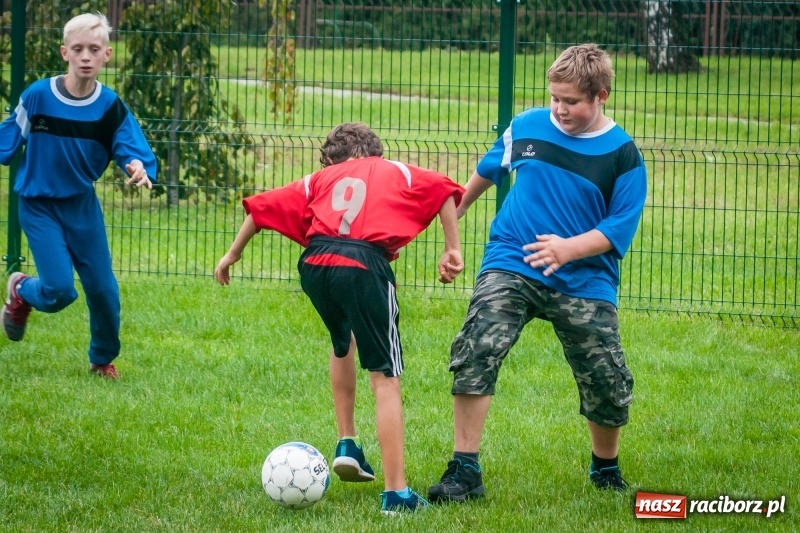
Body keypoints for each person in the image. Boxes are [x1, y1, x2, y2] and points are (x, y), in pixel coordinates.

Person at [427, 43, 648, 503]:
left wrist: (569, 249)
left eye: (572, 102)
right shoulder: (526, 126)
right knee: (476, 347)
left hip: (585, 278)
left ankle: (605, 467)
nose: (560, 110)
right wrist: (455, 227)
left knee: (606, 378)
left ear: (601, 95)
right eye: (555, 99)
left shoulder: (623, 156)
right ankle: (464, 470)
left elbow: (617, 228)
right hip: (512, 259)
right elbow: (487, 170)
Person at [214, 122, 465, 514]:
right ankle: (397, 494)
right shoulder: (394, 169)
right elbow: (445, 190)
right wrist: (453, 248)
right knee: (385, 377)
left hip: (315, 263)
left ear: (338, 160)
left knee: (342, 338)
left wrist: (233, 253)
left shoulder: (320, 178)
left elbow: (262, 208)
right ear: (372, 154)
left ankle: (347, 441)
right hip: (362, 262)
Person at [0, 13, 157, 380]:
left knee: (104, 291)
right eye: (78, 49)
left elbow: (130, 149)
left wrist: (137, 166)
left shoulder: (109, 106)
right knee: (58, 291)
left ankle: (101, 360)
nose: (86, 56)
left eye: (94, 49)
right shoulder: (38, 96)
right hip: (38, 205)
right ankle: (21, 288)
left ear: (107, 55)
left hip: (81, 207)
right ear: (64, 53)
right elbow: (7, 140)